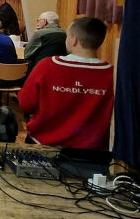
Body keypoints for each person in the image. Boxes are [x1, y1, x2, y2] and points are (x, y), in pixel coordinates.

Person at [20, 17, 113, 150]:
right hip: (93, 150)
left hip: (43, 144)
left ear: (74, 40)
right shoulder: (111, 75)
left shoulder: (47, 66)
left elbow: (26, 103)